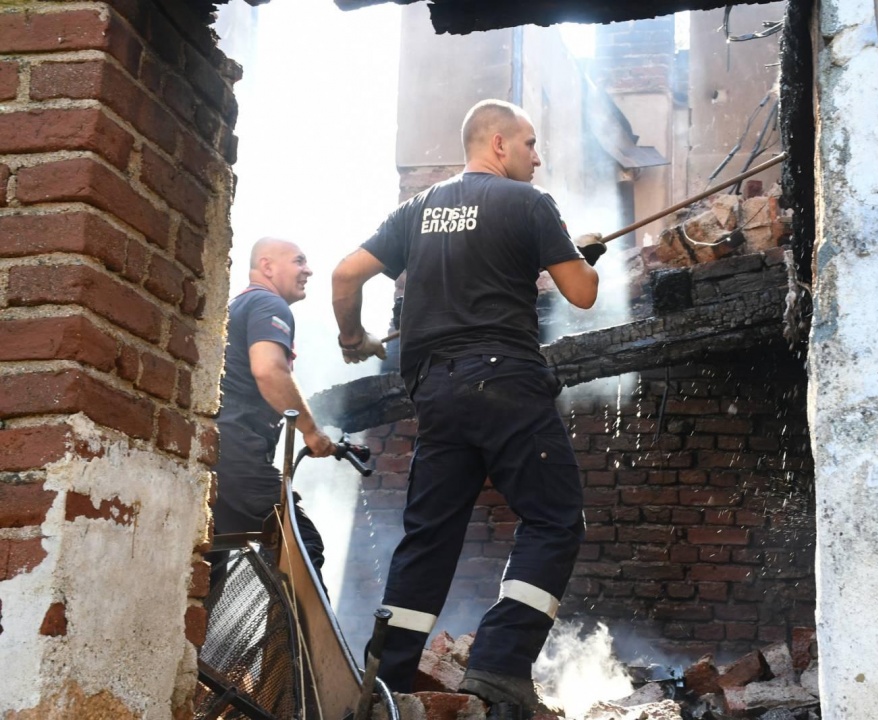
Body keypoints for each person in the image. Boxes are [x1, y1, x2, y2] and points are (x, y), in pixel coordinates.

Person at [331, 99, 606, 712]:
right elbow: (582, 294)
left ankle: (388, 680)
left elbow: (345, 275)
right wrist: (581, 254)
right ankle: (500, 665)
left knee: (429, 537)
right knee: (555, 518)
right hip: (505, 379)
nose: (538, 156)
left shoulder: (418, 210)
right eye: (531, 143)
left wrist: (354, 338)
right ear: (499, 144)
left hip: (434, 391)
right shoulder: (529, 204)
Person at [213, 237, 336, 581]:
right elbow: (268, 370)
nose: (308, 270)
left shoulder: (237, 307)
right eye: (299, 261)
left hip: (216, 454)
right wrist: (311, 432)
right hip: (239, 454)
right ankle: (286, 639)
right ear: (267, 266)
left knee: (208, 564)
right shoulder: (269, 305)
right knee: (299, 547)